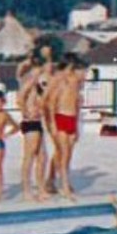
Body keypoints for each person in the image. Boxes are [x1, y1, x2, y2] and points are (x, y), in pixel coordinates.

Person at [46, 55, 85, 199]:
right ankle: (64, 184)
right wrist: (52, 124)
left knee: (62, 153)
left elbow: (77, 107)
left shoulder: (76, 85)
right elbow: (50, 102)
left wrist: (76, 127)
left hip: (71, 119)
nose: (84, 76)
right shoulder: (60, 80)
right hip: (60, 117)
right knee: (63, 154)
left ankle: (51, 180)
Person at [16, 47, 50, 201]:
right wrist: (26, 112)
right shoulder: (30, 79)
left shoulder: (37, 82)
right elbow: (20, 97)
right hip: (30, 122)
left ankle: (41, 188)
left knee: (42, 156)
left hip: (37, 122)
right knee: (29, 156)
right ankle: (26, 190)